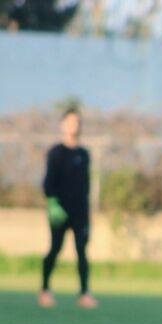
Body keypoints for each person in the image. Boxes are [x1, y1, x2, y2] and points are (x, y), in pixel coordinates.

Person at [39, 107, 98, 309]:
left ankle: (84, 293)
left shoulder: (84, 154)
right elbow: (48, 182)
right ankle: (45, 290)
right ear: (62, 125)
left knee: (82, 251)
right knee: (55, 249)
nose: (75, 126)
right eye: (71, 122)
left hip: (80, 212)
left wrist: (87, 212)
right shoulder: (56, 153)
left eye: (78, 122)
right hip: (59, 211)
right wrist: (52, 204)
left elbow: (85, 185)